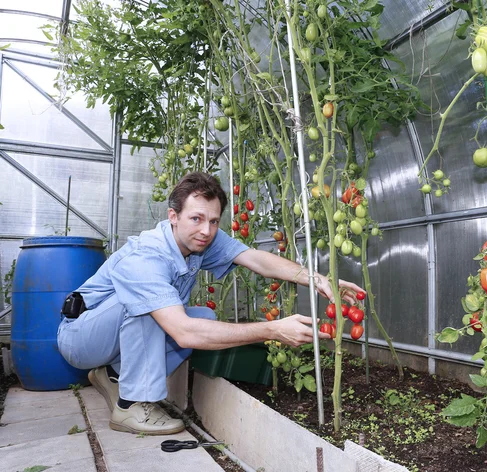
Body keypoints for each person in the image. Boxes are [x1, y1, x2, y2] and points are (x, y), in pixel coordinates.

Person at [57, 172, 363, 436]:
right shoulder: (147, 257)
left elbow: (254, 258)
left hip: (107, 334)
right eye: (196, 218)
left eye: (214, 221)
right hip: (81, 337)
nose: (206, 230)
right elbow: (185, 333)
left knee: (202, 315)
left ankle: (112, 374)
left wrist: (319, 279)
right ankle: (129, 408)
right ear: (173, 216)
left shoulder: (201, 240)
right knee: (156, 311)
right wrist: (272, 329)